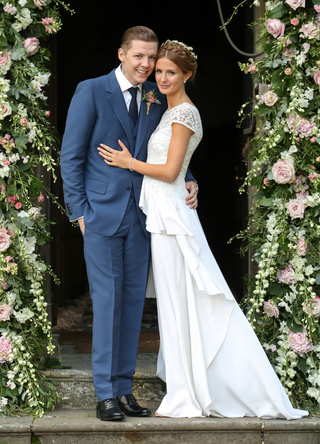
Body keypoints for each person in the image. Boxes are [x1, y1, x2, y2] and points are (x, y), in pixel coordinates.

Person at [97, 40, 309, 420]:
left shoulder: (184, 114)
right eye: (158, 70)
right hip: (163, 212)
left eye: (169, 72)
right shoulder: (167, 107)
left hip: (172, 215)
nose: (160, 77)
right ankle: (185, 383)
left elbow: (169, 171)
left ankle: (190, 390)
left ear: (187, 75)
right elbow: (174, 164)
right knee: (176, 300)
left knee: (184, 299)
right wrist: (185, 178)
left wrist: (130, 162)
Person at [60, 27, 198, 422]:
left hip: (143, 215)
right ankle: (104, 394)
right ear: (121, 54)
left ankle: (123, 391)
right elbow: (70, 156)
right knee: (106, 303)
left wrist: (190, 179)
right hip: (100, 215)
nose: (146, 64)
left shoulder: (157, 97)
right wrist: (79, 211)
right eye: (138, 56)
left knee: (133, 305)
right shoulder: (91, 90)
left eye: (151, 58)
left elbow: (171, 151)